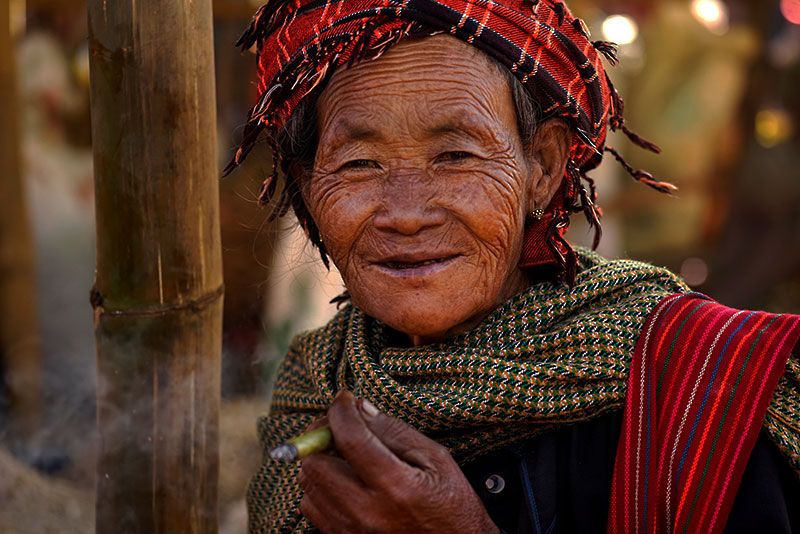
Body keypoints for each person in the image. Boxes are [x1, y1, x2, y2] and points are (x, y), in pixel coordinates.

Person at [224, 1, 800, 532]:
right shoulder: (314, 386)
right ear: (308, 188)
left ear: (542, 169)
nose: (405, 213)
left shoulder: (700, 385)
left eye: (455, 155)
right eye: (360, 163)